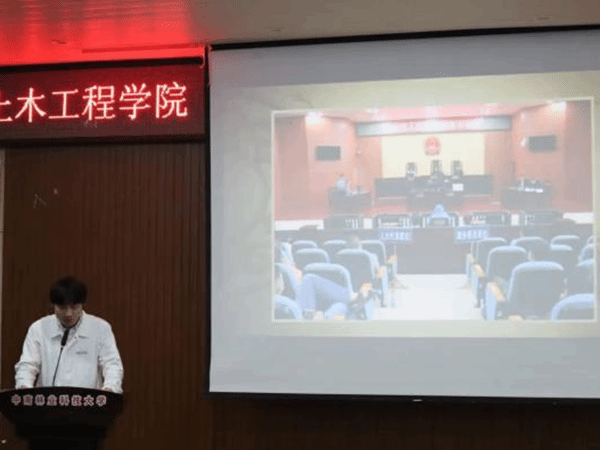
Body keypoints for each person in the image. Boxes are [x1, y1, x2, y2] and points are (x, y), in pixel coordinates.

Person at [15, 275, 124, 393]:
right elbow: (27, 365)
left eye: (74, 307)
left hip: (88, 401)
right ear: (53, 305)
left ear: (82, 304)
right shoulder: (38, 328)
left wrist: (110, 389)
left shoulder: (100, 328)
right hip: (49, 401)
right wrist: (24, 388)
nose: (68, 314)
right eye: (62, 307)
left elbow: (112, 364)